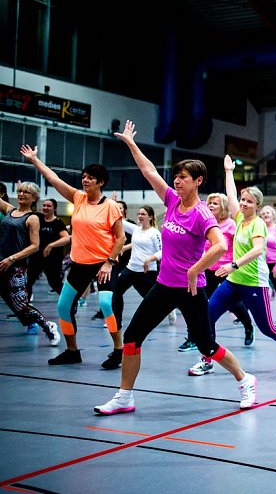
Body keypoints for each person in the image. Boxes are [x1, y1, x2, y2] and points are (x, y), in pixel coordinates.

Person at [93, 120, 256, 415]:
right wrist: (131, 143)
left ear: (198, 181)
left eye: (182, 178)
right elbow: (149, 171)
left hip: (191, 291)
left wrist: (195, 270)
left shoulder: (201, 214)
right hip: (164, 287)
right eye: (176, 177)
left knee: (207, 346)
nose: (177, 182)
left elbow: (219, 245)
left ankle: (245, 380)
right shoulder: (170, 201)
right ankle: (124, 396)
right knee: (132, 337)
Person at [187, 157, 276, 377]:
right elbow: (231, 194)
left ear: (257, 206)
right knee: (207, 316)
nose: (243, 204)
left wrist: (233, 265)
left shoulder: (257, 223)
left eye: (249, 202)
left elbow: (257, 250)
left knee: (268, 328)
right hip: (233, 282)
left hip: (254, 283)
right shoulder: (239, 218)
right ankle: (207, 359)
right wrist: (228, 171)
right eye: (243, 200)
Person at [21, 145, 126, 367]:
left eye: (90, 178)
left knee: (106, 304)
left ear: (101, 182)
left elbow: (120, 238)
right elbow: (54, 179)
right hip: (80, 263)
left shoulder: (111, 207)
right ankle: (72, 351)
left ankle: (118, 349)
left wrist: (109, 262)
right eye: (84, 177)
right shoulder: (78, 198)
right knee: (63, 306)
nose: (85, 180)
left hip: (103, 263)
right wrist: (35, 160)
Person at [177, 192, 255, 352]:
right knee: (201, 306)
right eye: (210, 203)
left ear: (224, 207)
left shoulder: (231, 225)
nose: (211, 205)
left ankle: (248, 326)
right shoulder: (206, 223)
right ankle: (198, 340)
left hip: (228, 271)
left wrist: (237, 265)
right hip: (209, 270)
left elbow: (242, 247)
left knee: (234, 304)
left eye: (215, 203)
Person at [0, 182, 61, 346]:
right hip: (1, 262)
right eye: (19, 191)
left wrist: (11, 258)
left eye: (26, 192)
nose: (21, 194)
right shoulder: (10, 211)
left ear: (34, 197)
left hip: (16, 268)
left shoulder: (32, 218)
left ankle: (48, 326)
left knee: (21, 306)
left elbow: (35, 246)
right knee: (15, 305)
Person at [107, 205, 162, 369]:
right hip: (131, 269)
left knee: (152, 300)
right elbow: (120, 222)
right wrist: (113, 206)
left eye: (143, 214)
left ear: (151, 217)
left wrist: (149, 259)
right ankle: (118, 321)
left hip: (146, 272)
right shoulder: (136, 230)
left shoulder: (155, 233)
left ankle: (169, 310)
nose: (140, 216)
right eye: (138, 213)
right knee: (116, 292)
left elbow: (162, 252)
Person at [26, 198, 70, 298]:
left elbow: (66, 239)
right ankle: (25, 308)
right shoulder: (38, 219)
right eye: (44, 205)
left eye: (49, 206)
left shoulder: (58, 223)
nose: (45, 208)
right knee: (28, 281)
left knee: (55, 283)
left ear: (54, 208)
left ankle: (70, 302)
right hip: (36, 257)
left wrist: (51, 245)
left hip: (52, 259)